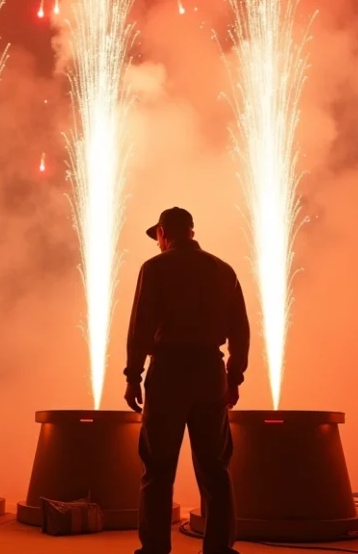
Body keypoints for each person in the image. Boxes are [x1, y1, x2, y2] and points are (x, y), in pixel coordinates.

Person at [124, 207, 250, 554]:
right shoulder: (223, 270)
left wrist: (133, 376)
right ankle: (219, 550)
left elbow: (141, 326)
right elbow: (241, 328)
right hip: (210, 370)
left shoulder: (155, 268)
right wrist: (233, 377)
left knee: (157, 468)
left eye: (158, 238)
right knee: (215, 469)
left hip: (168, 370)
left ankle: (154, 551)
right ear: (191, 232)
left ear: (164, 233)